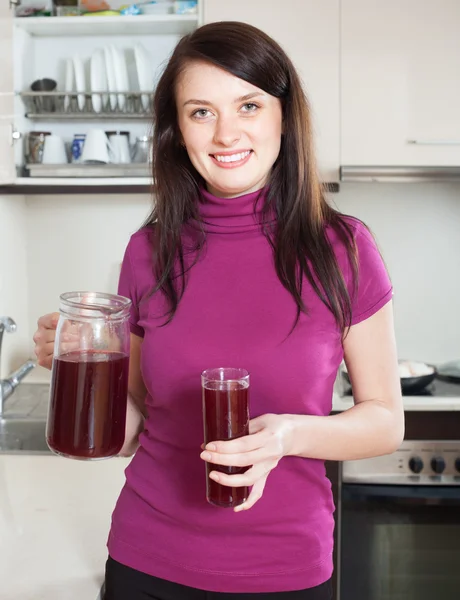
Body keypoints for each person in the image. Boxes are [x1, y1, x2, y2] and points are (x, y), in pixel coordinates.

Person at [33, 21, 404, 600]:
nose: (226, 132)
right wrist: (81, 364)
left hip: (285, 569)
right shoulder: (148, 250)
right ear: (178, 131)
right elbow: (131, 430)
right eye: (201, 112)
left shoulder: (343, 248)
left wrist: (288, 436)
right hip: (146, 560)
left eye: (248, 105)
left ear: (284, 115)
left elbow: (385, 421)